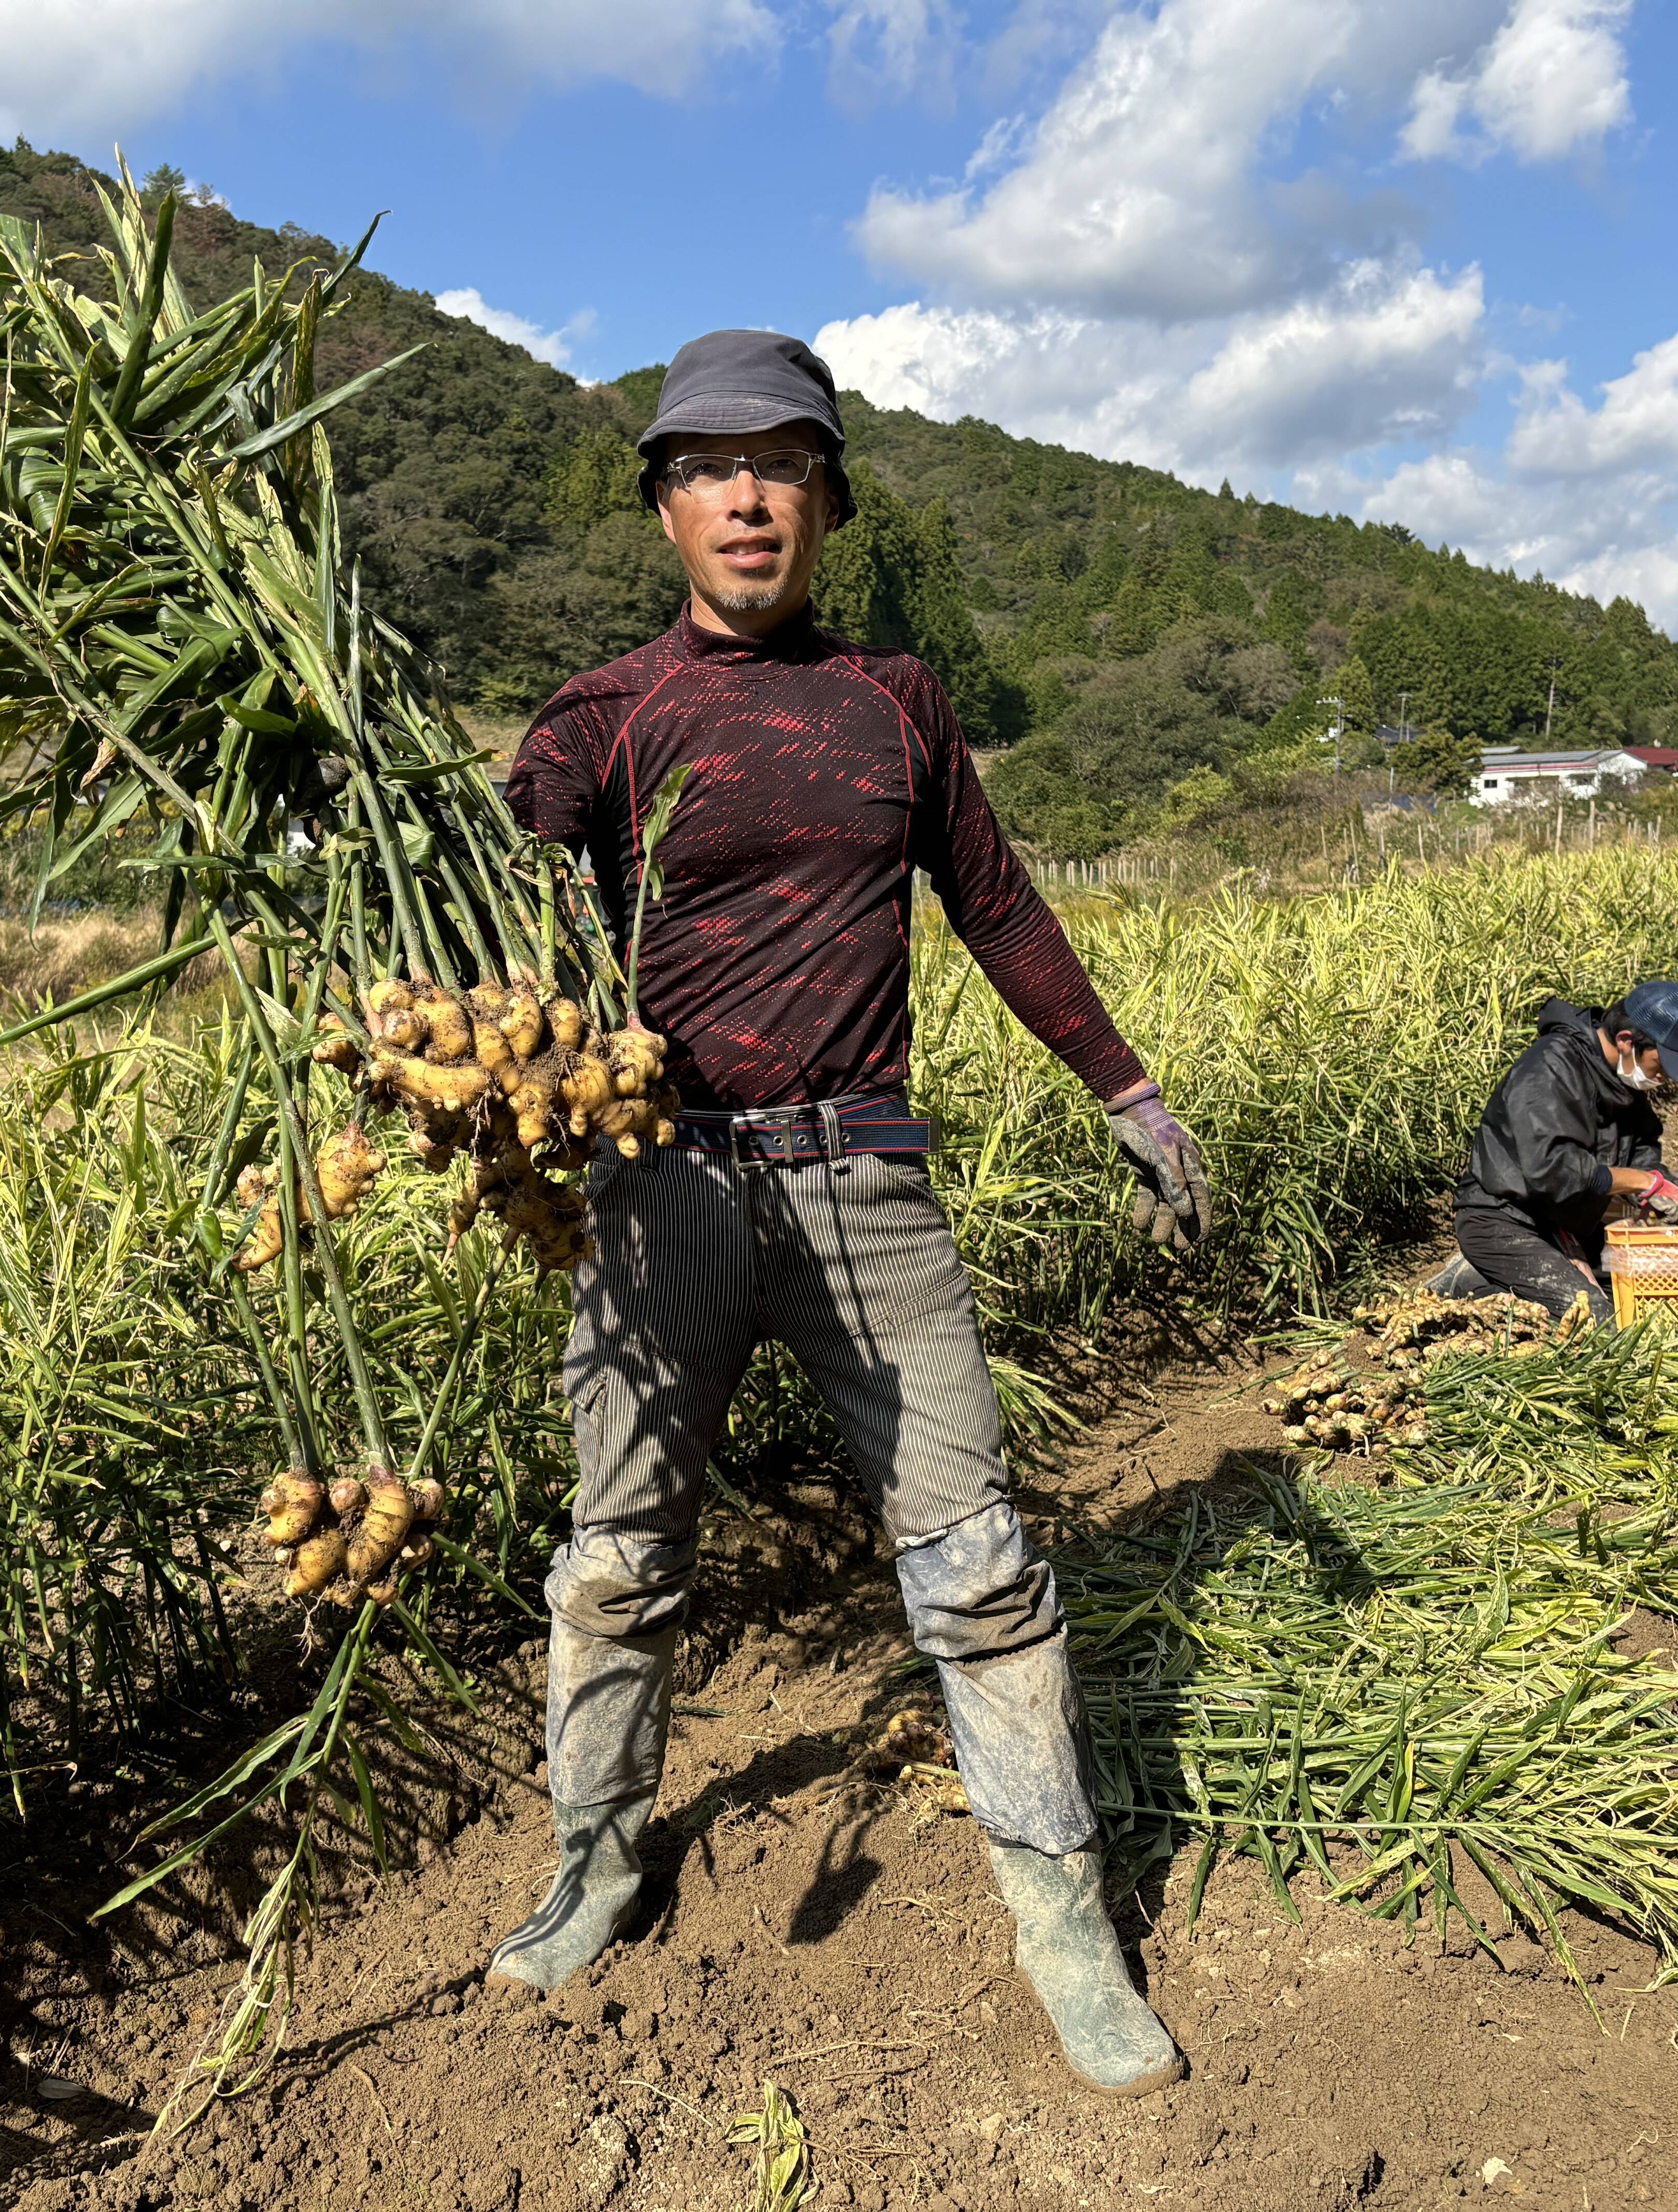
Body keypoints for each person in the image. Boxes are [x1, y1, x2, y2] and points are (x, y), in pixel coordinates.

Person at [487, 330, 1213, 2096]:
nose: (748, 496)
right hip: (660, 1188)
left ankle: (1067, 1925)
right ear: (665, 507)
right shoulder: (598, 718)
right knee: (619, 1558)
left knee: (979, 1566)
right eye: (709, 467)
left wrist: (1125, 1088)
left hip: (864, 1177)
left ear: (826, 501)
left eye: (784, 464)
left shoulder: (894, 700)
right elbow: (498, 909)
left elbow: (999, 906)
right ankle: (596, 1861)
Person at [1435, 981, 1678, 1323]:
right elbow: (1553, 1170)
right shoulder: (1549, 1069)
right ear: (1626, 1041)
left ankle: (1518, 1277)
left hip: (1567, 1221)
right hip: (1504, 1219)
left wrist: (1656, 1186)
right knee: (1597, 1322)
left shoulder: (1620, 1080)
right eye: (1662, 1064)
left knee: (1642, 1295)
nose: (1665, 1077)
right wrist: (1642, 1182)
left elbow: (1641, 1145)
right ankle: (1474, 1284)